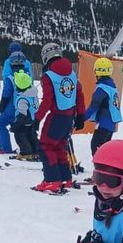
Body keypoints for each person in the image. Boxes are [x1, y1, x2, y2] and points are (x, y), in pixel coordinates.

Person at [33, 43, 86, 193]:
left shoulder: (48, 76)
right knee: (59, 147)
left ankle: (52, 181)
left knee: (45, 146)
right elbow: (79, 95)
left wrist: (37, 119)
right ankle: (65, 178)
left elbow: (47, 100)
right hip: (70, 117)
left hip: (56, 116)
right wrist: (81, 115)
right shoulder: (72, 73)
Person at [0, 47, 33, 154]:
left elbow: (6, 94)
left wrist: (2, 106)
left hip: (13, 107)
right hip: (27, 109)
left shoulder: (10, 77)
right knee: (27, 129)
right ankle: (32, 148)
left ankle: (5, 148)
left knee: (0, 123)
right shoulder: (28, 77)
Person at [83, 56, 123, 155]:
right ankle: (106, 167)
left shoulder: (102, 88)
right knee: (105, 148)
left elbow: (94, 106)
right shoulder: (112, 86)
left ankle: (100, 166)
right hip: (111, 124)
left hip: (104, 122)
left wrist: (81, 118)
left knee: (96, 145)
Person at [9, 69, 41, 158]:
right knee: (32, 136)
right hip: (33, 120)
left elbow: (22, 114)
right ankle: (37, 150)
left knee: (20, 135)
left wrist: (15, 126)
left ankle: (26, 152)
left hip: (24, 121)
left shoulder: (22, 99)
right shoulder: (33, 93)